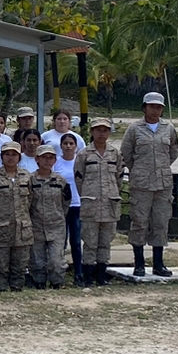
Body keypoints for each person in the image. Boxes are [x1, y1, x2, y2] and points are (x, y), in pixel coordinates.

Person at [120, 91, 178, 278]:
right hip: (141, 183)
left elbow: (173, 152)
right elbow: (126, 153)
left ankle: (158, 264)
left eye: (159, 107)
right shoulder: (134, 128)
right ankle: (139, 263)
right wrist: (140, 168)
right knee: (139, 222)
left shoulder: (168, 128)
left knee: (161, 222)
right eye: (152, 106)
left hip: (162, 184)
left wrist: (160, 167)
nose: (156, 109)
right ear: (144, 107)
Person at [74, 119, 123, 286]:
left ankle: (101, 276)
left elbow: (119, 178)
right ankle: (88, 277)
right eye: (98, 130)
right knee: (90, 242)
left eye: (105, 130)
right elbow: (79, 178)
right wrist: (88, 194)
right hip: (91, 205)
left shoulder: (115, 153)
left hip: (110, 204)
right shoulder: (84, 154)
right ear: (92, 132)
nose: (102, 133)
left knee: (105, 242)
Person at [0, 144, 33, 292]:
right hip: (0, 229)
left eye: (14, 154)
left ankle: (17, 290)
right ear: (1, 157)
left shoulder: (26, 176)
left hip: (22, 229)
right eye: (7, 154)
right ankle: (1, 292)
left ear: (19, 157)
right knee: (0, 266)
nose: (10, 157)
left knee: (20, 265)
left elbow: (30, 200)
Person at [28, 145, 72, 289]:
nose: (47, 161)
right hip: (36, 226)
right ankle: (39, 283)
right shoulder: (30, 181)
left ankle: (57, 283)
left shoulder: (61, 181)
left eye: (51, 157)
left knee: (56, 260)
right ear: (37, 159)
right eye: (44, 157)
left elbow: (66, 202)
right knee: (37, 260)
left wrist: (58, 215)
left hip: (56, 226)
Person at [54, 132, 83, 283]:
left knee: (76, 241)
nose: (68, 146)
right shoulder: (56, 163)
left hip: (77, 205)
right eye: (65, 144)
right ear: (61, 146)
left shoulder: (79, 162)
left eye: (71, 144)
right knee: (61, 241)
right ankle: (59, 272)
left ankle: (79, 272)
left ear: (76, 146)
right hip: (61, 206)